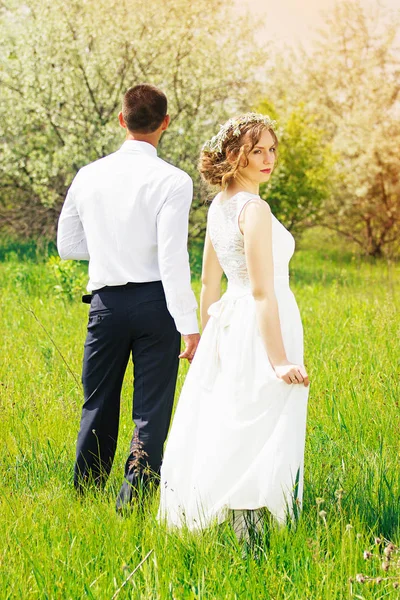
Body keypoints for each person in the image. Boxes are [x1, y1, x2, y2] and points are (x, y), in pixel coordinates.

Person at [158, 113, 310, 534]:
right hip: (261, 319)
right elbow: (262, 291)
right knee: (265, 411)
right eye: (257, 150)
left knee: (234, 410)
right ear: (233, 155)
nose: (268, 159)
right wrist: (279, 361)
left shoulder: (219, 206)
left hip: (231, 320)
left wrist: (207, 339)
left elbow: (209, 284)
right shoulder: (254, 209)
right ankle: (254, 524)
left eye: (272, 150)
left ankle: (230, 515)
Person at [57, 83, 200, 511]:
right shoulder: (174, 181)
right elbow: (173, 258)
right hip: (157, 306)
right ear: (166, 124)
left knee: (98, 400)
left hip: (105, 306)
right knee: (151, 406)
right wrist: (189, 325)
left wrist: (107, 248)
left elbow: (67, 245)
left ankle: (85, 494)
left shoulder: (88, 175)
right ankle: (134, 500)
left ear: (121, 120)